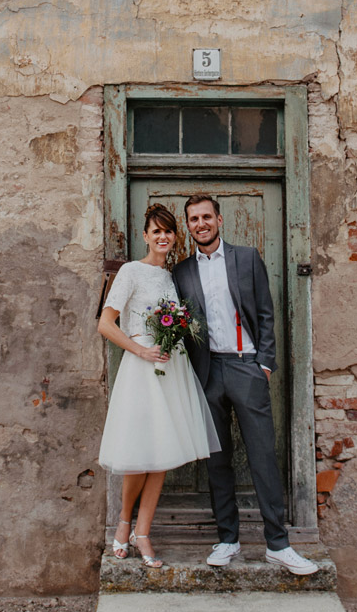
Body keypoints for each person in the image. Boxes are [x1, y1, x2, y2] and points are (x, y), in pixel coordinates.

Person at [173, 194, 319, 575]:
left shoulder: (246, 257)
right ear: (188, 226)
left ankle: (278, 544)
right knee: (217, 460)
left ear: (219, 220)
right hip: (208, 373)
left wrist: (264, 365)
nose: (200, 224)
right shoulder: (183, 271)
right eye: (193, 219)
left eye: (206, 216)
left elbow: (266, 313)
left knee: (262, 456)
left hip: (245, 367)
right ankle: (228, 539)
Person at [97, 203, 221, 568]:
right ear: (146, 235)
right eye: (156, 231)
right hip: (142, 367)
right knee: (139, 452)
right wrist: (140, 349)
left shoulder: (172, 277)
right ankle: (123, 524)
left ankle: (144, 532)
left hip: (172, 368)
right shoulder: (131, 272)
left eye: (168, 231)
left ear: (174, 236)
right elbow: (105, 324)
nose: (163, 237)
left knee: (163, 453)